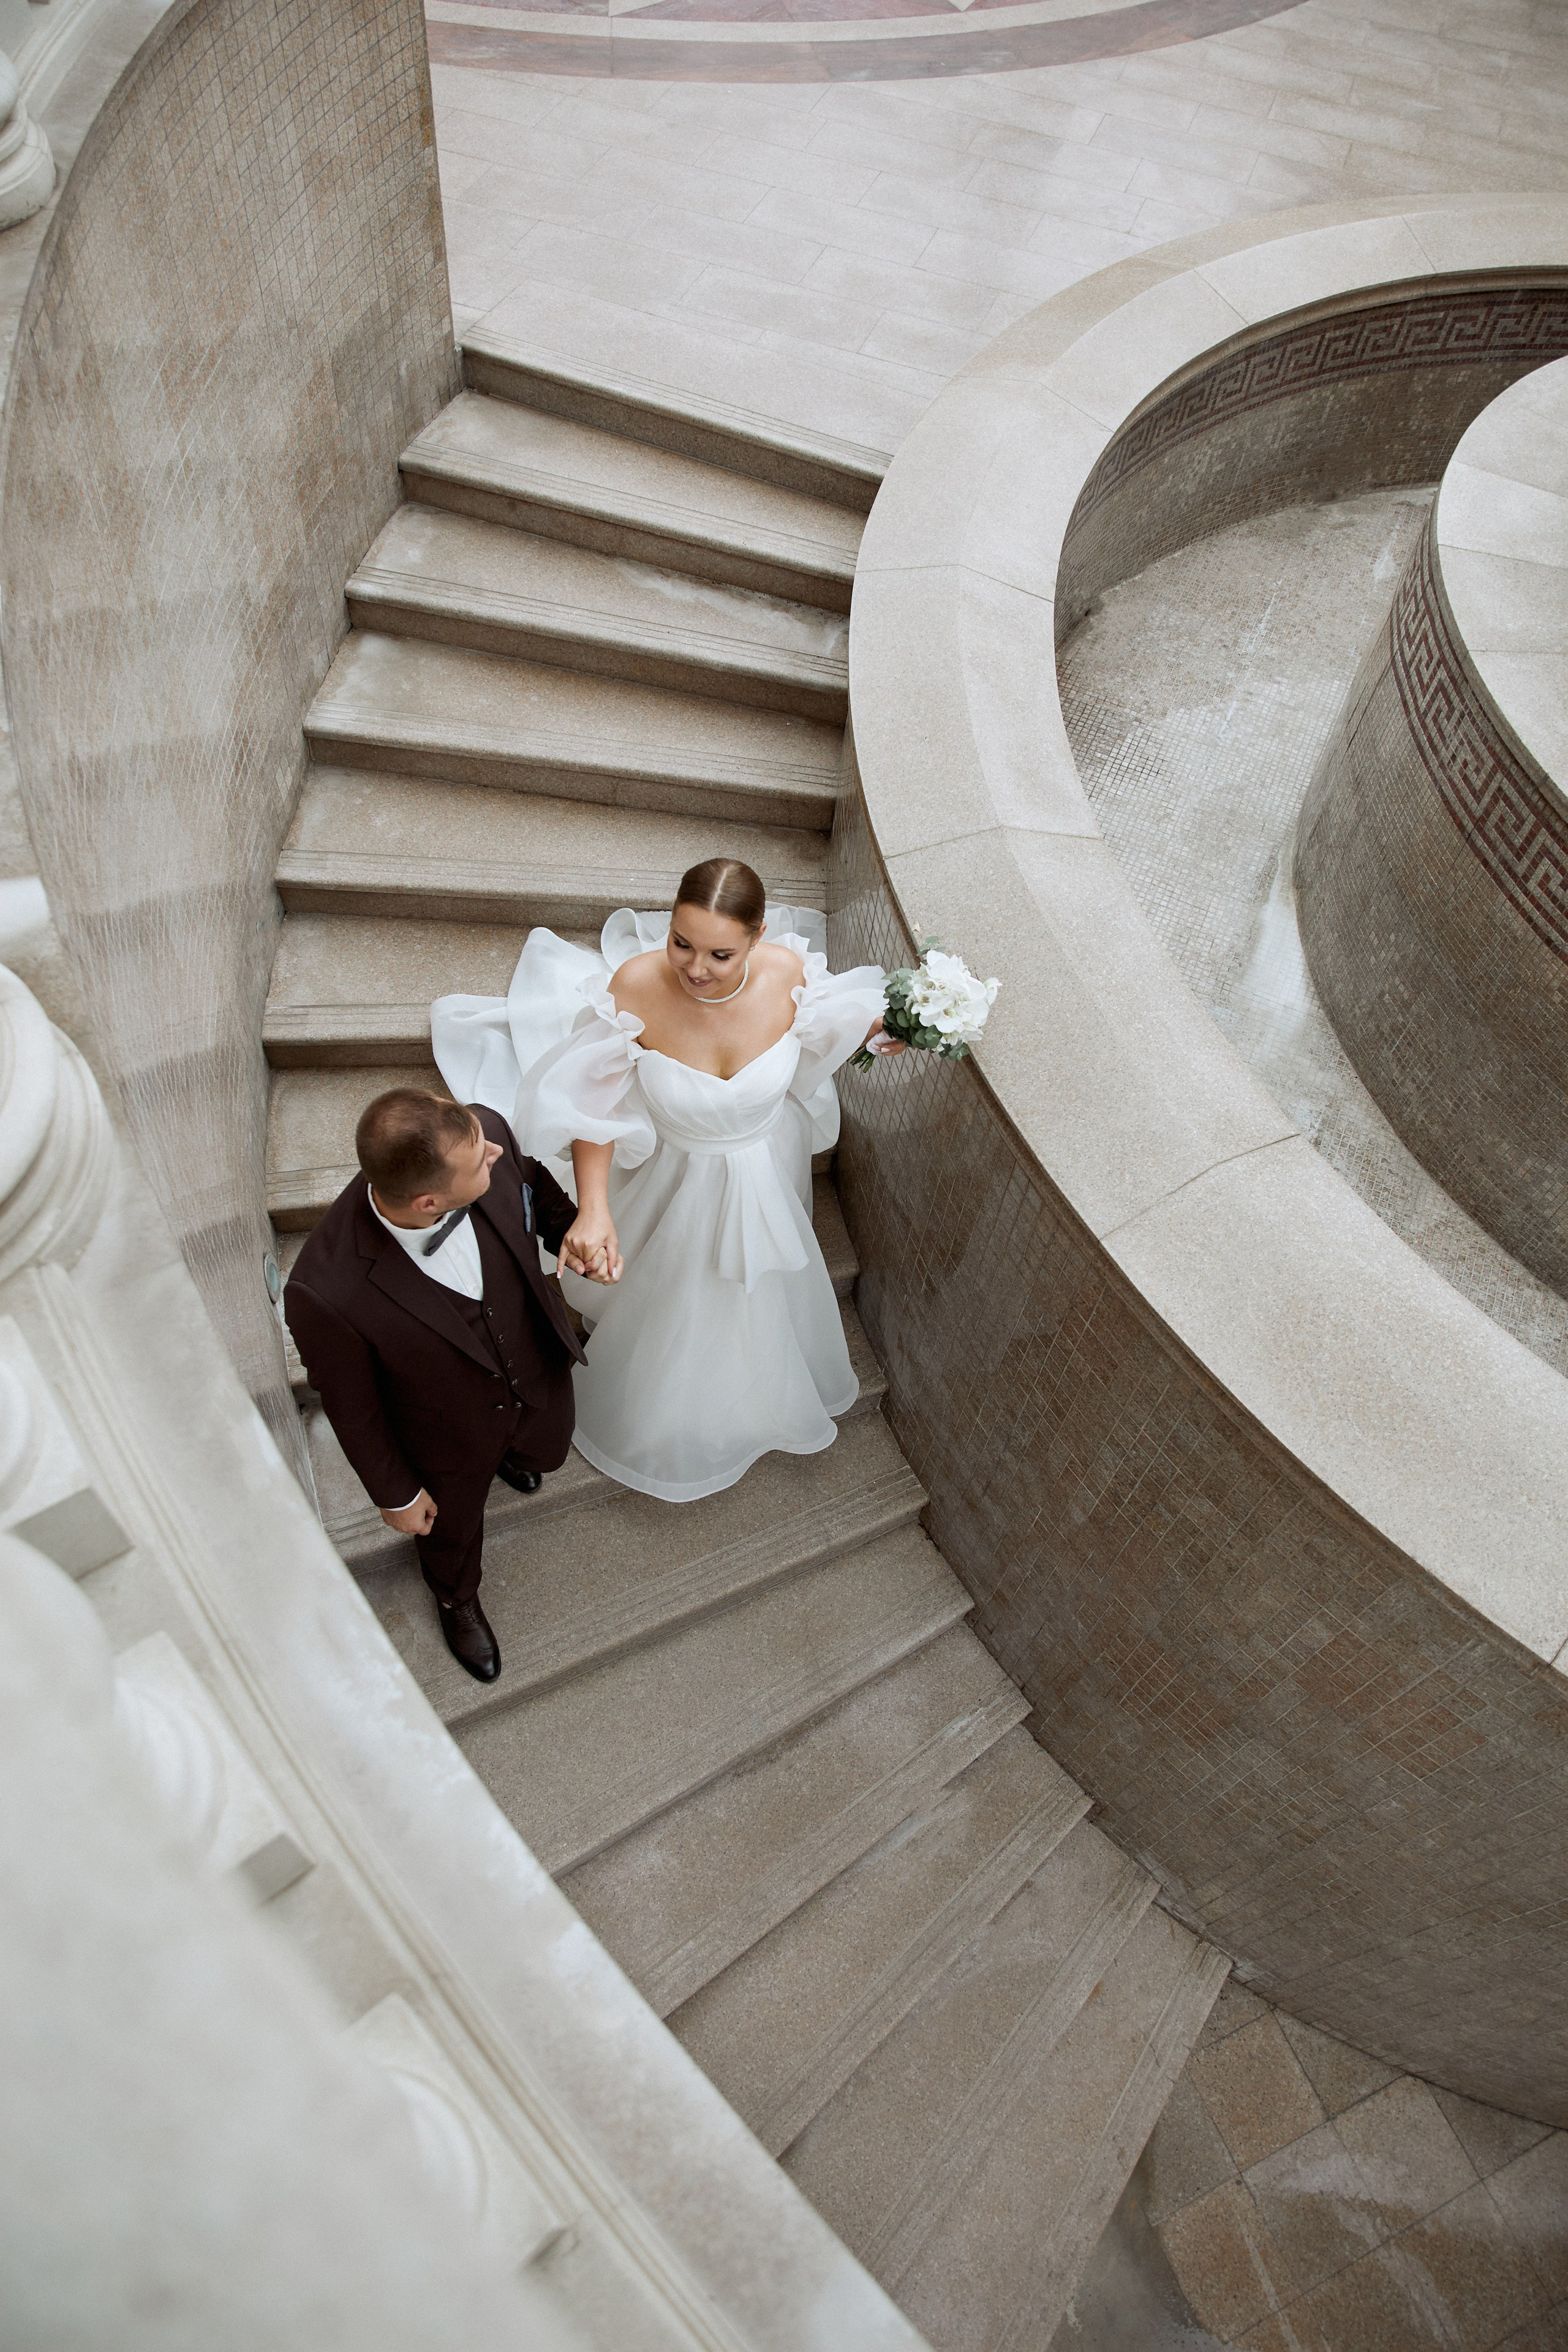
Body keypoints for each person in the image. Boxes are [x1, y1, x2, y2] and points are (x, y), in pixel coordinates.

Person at [431, 859, 899, 1504]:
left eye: (720, 954)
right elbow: (596, 1107)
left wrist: (884, 1031)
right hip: (679, 1174)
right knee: (682, 1285)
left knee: (761, 1281)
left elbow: (822, 1029)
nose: (695, 969)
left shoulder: (789, 974)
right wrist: (592, 1209)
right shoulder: (636, 988)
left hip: (764, 1159)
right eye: (681, 942)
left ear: (758, 937)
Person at [284, 1089, 596, 1683]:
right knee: (450, 1534)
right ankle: (457, 1602)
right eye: (481, 1161)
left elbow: (532, 1188)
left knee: (546, 1451)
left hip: (536, 1371)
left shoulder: (485, 1136)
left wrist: (573, 1235)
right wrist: (396, 1493)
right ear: (429, 1201)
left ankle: (515, 1456)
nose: (497, 1152)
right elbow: (353, 1408)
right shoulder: (324, 1291)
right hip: (444, 1437)